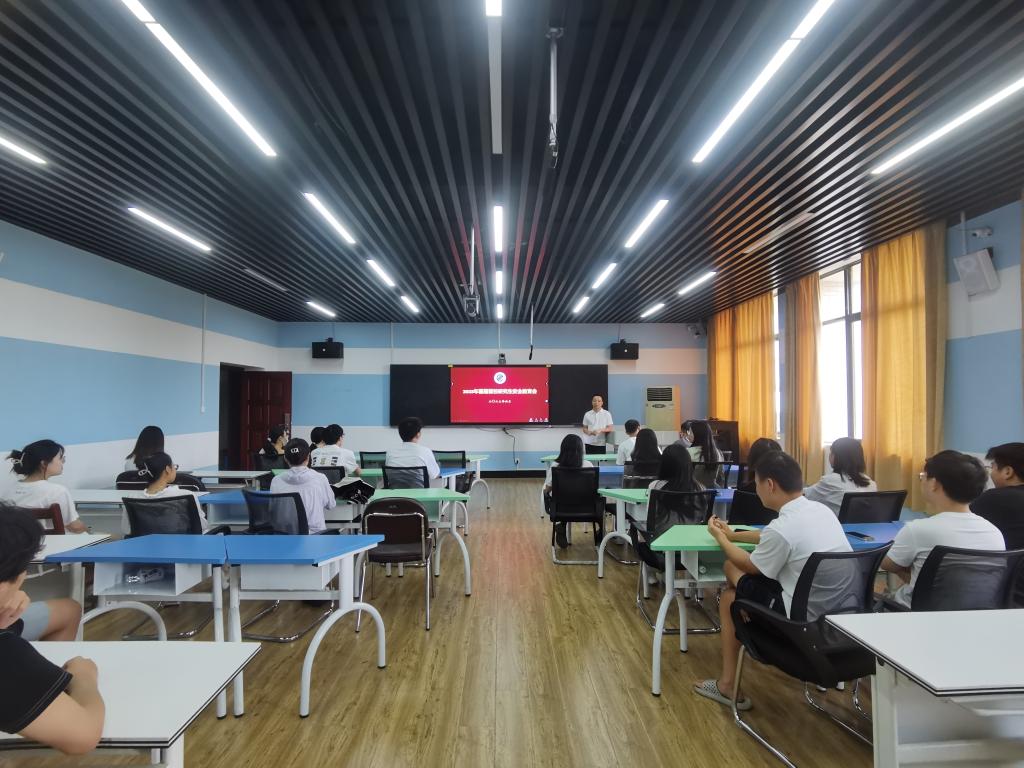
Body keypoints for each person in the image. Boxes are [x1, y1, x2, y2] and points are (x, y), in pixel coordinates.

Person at [694, 451, 851, 710]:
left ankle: (728, 685)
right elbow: (770, 535)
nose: (755, 488)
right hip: (839, 619)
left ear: (769, 484)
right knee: (734, 591)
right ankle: (743, 612)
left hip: (801, 623)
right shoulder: (820, 511)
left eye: (756, 482)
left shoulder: (783, 528)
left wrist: (720, 538)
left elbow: (750, 565)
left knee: (730, 582)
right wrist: (734, 536)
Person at [0, 505, 104, 754]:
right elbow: (84, 737)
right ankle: (44, 701)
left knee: (67, 610)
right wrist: (83, 676)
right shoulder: (6, 655)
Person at [881, 450, 1005, 609]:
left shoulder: (918, 529)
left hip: (916, 614)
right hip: (975, 615)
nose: (921, 481)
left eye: (922, 476)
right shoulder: (994, 532)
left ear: (934, 484)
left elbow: (888, 564)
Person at [4, 440, 87, 533]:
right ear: (44, 463)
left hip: (13, 540)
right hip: (47, 541)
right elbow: (75, 527)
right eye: (60, 458)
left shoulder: (8, 490)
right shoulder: (58, 491)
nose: (63, 462)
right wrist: (87, 529)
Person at [130, 452, 208, 533]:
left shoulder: (133, 498)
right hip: (181, 541)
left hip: (146, 541)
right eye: (174, 466)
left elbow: (126, 530)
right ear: (167, 469)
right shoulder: (186, 495)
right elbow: (202, 526)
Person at [270, 439, 335, 534]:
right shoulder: (320, 478)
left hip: (285, 536)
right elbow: (331, 505)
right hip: (315, 537)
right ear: (308, 457)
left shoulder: (276, 480)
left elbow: (272, 509)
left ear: (285, 458)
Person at [544, 434, 595, 549]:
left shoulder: (555, 466)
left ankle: (561, 525)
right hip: (587, 509)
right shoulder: (588, 465)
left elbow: (548, 489)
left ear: (563, 449)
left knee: (562, 498)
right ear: (581, 449)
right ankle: (601, 533)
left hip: (561, 510)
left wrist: (546, 493)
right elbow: (594, 488)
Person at [804, 437, 877, 515]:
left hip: (836, 523)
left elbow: (804, 495)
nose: (830, 455)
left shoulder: (830, 481)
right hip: (865, 523)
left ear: (838, 457)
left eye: (832, 452)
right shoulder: (871, 483)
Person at [972, 443, 1024, 550]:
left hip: (1003, 561)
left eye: (992, 467)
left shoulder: (994, 498)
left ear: (1007, 472)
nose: (991, 473)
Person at [385, 417, 441, 486]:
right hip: (419, 492)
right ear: (418, 434)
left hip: (395, 491)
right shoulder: (425, 451)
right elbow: (435, 475)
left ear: (400, 434)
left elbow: (388, 473)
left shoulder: (390, 452)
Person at [688, 420, 724, 487]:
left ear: (697, 434)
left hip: (693, 490)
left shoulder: (687, 452)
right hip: (712, 490)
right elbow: (721, 478)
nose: (688, 435)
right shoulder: (718, 453)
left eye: (690, 432)